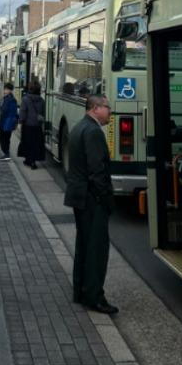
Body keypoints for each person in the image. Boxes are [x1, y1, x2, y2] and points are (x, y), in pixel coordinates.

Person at [64, 94, 117, 314]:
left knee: (84, 246)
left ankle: (81, 290)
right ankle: (95, 297)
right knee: (96, 249)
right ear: (95, 108)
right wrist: (106, 198)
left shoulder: (79, 127)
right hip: (92, 199)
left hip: (79, 196)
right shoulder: (94, 132)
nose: (110, 112)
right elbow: (97, 170)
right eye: (107, 108)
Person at [18, 80, 45, 169]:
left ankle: (28, 160)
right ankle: (33, 161)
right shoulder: (41, 100)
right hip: (37, 126)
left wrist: (20, 122)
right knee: (35, 144)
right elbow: (43, 112)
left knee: (27, 143)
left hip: (27, 125)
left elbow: (23, 112)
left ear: (30, 89)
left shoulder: (25, 99)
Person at [0, 82, 19, 163]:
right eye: (5, 89)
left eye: (6, 89)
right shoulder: (10, 99)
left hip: (6, 123)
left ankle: (6, 155)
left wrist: (1, 105)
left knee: (3, 139)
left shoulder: (9, 99)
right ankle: (6, 154)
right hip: (7, 123)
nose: (5, 91)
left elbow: (4, 110)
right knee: (5, 139)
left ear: (10, 90)